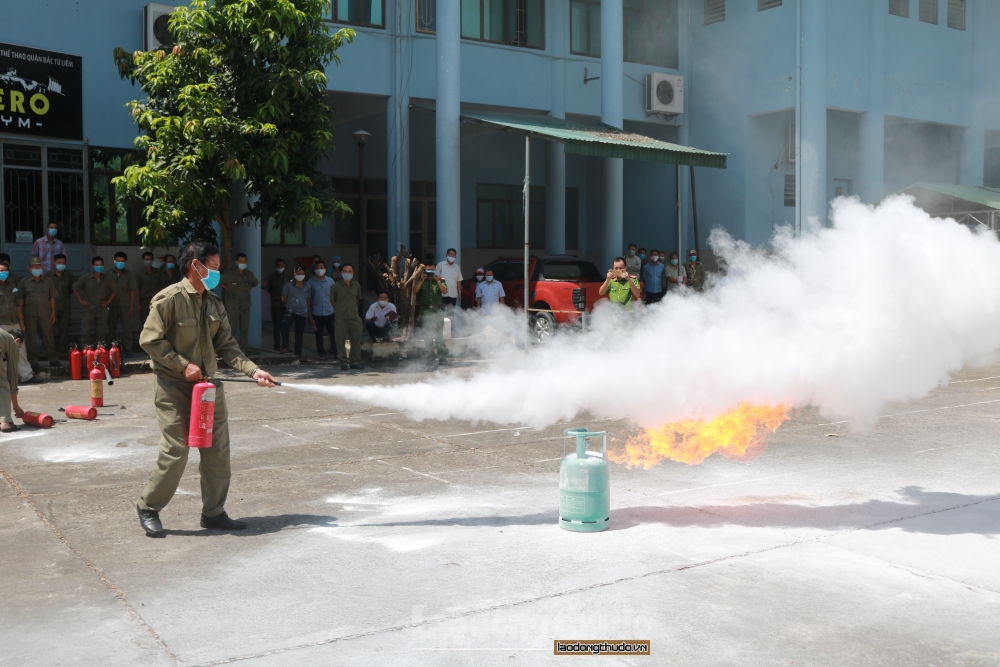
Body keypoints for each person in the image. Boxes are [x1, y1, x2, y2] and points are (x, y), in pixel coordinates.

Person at [135, 240, 278, 537]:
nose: (216, 273)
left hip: (207, 387)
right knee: (176, 449)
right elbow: (150, 340)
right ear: (194, 265)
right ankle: (148, 506)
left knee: (217, 452)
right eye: (211, 267)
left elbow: (227, 345)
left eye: (217, 268)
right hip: (173, 386)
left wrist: (254, 371)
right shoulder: (168, 299)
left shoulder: (214, 303)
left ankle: (213, 512)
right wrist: (182, 364)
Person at [17, 256, 58, 373]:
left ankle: (53, 359)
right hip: (30, 314)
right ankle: (33, 361)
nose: (37, 269)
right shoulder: (24, 282)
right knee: (30, 338)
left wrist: (53, 312)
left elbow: (52, 298)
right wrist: (20, 316)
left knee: (49, 336)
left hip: (46, 313)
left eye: (39, 266)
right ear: (30, 269)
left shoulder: (48, 282)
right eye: (35, 267)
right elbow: (21, 300)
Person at [73, 257, 118, 348]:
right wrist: (81, 300)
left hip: (102, 309)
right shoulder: (86, 278)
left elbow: (114, 290)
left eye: (101, 265)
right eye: (97, 265)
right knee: (85, 331)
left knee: (101, 332)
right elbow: (74, 287)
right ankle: (85, 351)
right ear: (92, 266)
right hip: (89, 308)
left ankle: (99, 351)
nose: (99, 267)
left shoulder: (107, 279)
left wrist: (108, 301)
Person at [0, 260, 32, 383]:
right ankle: (5, 379)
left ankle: (27, 375)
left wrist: (22, 322)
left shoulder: (12, 286)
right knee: (3, 353)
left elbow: (18, 306)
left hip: (14, 323)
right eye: (1, 271)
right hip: (1, 324)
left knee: (21, 350)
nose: (3, 273)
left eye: (5, 270)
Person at [220, 253, 258, 351]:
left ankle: (242, 350)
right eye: (241, 261)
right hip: (233, 305)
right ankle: (228, 350)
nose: (243, 263)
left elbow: (255, 282)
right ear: (236, 262)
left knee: (244, 329)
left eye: (244, 261)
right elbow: (217, 281)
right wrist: (226, 288)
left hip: (245, 305)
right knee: (230, 328)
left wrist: (248, 288)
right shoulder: (229, 274)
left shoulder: (249, 274)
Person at [330, 263, 363, 370]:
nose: (347, 273)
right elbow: (332, 301)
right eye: (345, 271)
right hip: (340, 318)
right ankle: (343, 362)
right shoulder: (336, 286)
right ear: (341, 272)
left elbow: (357, 298)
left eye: (349, 271)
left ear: (353, 273)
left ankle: (355, 361)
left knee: (356, 340)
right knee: (340, 341)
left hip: (354, 317)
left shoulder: (357, 285)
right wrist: (341, 308)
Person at [106, 252, 138, 356]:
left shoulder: (129, 274)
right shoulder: (108, 274)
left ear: (125, 262)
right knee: (111, 328)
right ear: (114, 261)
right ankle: (111, 348)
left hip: (125, 305)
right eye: (118, 261)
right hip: (111, 305)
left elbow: (132, 290)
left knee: (127, 328)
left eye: (122, 261)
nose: (120, 263)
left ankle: (129, 349)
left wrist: (131, 307)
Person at [45, 253, 75, 357]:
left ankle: (62, 351)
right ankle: (48, 351)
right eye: (59, 263)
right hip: (51, 308)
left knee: (64, 329)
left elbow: (72, 289)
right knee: (49, 330)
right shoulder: (48, 276)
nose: (61, 264)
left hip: (65, 306)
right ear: (54, 263)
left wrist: (65, 296)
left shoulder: (69, 276)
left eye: (63, 263)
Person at [416, 266, 448, 362]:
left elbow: (445, 291)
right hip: (425, 310)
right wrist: (421, 280)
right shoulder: (421, 281)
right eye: (428, 269)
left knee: (439, 335)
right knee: (427, 335)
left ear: (435, 270)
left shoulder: (440, 280)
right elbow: (414, 291)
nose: (430, 271)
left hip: (437, 311)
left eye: (432, 269)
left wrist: (438, 280)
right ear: (425, 270)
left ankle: (442, 357)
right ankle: (430, 356)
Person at [307, 260, 336, 360]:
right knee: (318, 334)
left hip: (330, 311)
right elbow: (309, 299)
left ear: (325, 268)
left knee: (333, 333)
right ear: (314, 269)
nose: (320, 270)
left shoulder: (331, 281)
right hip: (317, 312)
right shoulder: (310, 282)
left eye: (321, 268)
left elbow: (335, 297)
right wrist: (309, 314)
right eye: (317, 268)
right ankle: (321, 353)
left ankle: (336, 353)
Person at [280, 266, 311, 359]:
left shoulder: (307, 286)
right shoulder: (288, 285)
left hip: (302, 313)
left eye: (302, 273)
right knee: (284, 325)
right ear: (294, 274)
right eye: (298, 273)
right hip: (291, 311)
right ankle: (285, 346)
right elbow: (283, 298)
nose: (300, 275)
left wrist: (309, 313)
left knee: (299, 334)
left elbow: (308, 300)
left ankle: (298, 354)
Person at [0, 328, 25, 432]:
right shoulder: (12, 342)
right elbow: (12, 376)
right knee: (3, 384)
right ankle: (6, 422)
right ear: (17, 340)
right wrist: (16, 406)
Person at [265, 258, 289, 351]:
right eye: (278, 266)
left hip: (286, 305)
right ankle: (277, 345)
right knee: (277, 326)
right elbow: (269, 289)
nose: (280, 267)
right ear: (275, 266)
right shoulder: (271, 276)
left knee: (285, 326)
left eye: (282, 265)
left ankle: (285, 345)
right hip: (276, 304)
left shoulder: (288, 276)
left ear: (284, 265)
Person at [137, 250, 160, 326]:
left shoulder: (158, 272)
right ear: (143, 260)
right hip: (144, 302)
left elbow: (162, 287)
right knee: (145, 322)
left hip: (157, 301)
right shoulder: (139, 274)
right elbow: (137, 289)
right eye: (146, 259)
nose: (148, 261)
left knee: (157, 322)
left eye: (150, 259)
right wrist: (138, 304)